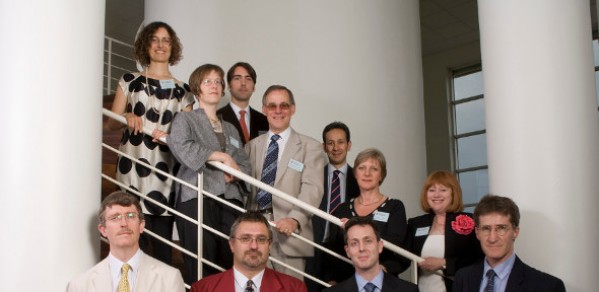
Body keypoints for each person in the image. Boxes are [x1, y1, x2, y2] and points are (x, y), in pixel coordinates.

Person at [104, 21, 195, 265]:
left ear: (172, 46)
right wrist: (125, 116)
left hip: (165, 174)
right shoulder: (129, 80)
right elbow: (110, 126)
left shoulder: (183, 91)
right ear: (146, 44)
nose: (160, 45)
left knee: (163, 248)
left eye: (166, 40)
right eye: (154, 39)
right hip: (132, 170)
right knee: (131, 242)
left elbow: (187, 137)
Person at [168, 64, 251, 283]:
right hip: (197, 196)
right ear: (197, 88)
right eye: (208, 81)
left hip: (230, 200)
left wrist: (237, 171)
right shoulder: (185, 119)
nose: (214, 85)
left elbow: (244, 163)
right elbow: (181, 146)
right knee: (201, 266)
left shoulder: (231, 128)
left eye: (217, 81)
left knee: (228, 263)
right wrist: (222, 157)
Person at [245, 85, 325, 280]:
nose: (278, 111)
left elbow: (313, 188)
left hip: (290, 233)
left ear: (293, 108)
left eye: (284, 105)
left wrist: (294, 219)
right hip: (254, 230)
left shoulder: (311, 147)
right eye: (272, 106)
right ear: (264, 109)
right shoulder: (251, 146)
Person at [67, 191, 184, 291]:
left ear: (141, 225)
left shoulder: (170, 278)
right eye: (115, 218)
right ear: (103, 230)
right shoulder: (80, 286)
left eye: (130, 216)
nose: (124, 223)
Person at [452, 195, 566, 292]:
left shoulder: (548, 287)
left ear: (515, 232)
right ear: (477, 233)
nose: (492, 238)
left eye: (501, 228)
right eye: (486, 229)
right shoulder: (462, 279)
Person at [330, 148, 409, 281]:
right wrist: (331, 279)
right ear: (355, 173)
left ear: (382, 175)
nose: (367, 173)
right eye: (362, 168)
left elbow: (397, 244)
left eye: (374, 169)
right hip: (346, 281)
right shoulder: (341, 209)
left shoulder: (394, 207)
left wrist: (354, 226)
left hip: (382, 279)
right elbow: (333, 249)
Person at [190, 211, 307, 292]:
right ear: (232, 244)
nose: (254, 246)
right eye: (245, 238)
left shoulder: (294, 288)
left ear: (269, 245)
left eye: (261, 239)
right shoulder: (202, 289)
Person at [405, 171, 483, 292]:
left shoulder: (470, 221)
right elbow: (403, 256)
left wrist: (444, 263)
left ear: (453, 193)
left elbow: (479, 259)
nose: (436, 195)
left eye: (443, 190)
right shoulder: (415, 224)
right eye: (431, 190)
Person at [307, 121, 359, 291]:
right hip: (315, 252)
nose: (336, 148)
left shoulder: (360, 181)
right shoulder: (311, 177)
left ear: (349, 145)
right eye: (330, 143)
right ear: (324, 147)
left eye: (340, 142)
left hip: (346, 255)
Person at [323, 217, 417, 292]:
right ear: (347, 251)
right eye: (354, 243)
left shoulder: (409, 290)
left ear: (380, 246)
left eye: (368, 241)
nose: (362, 248)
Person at [217, 62, 269, 146]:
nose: (243, 83)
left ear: (254, 87)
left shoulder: (264, 121)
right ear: (229, 85)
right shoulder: (217, 118)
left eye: (248, 79)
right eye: (237, 78)